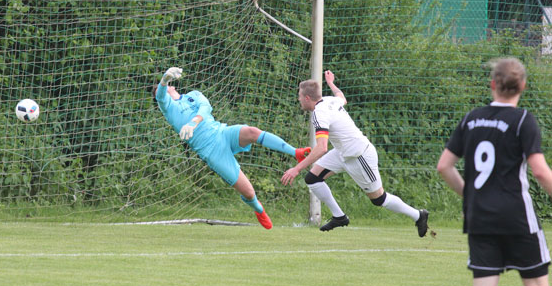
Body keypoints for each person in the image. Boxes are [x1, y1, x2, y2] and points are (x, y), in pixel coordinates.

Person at [436, 57, 552, 286]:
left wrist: (470, 194)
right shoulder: (522, 120)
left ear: (492, 84)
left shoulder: (471, 119)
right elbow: (541, 172)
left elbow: (444, 166)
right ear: (523, 86)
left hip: (480, 216)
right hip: (516, 215)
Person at [154, 66, 310, 229]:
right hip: (213, 152)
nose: (167, 86)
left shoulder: (193, 95)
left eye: (167, 83)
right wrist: (164, 79)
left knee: (252, 131)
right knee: (249, 192)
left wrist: (194, 122)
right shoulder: (167, 107)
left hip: (222, 132)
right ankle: (258, 209)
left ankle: (295, 152)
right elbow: (160, 96)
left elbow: (206, 108)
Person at [281, 69, 429, 237]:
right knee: (312, 179)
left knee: (378, 199)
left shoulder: (319, 114)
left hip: (359, 155)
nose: (299, 99)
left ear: (307, 98)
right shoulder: (330, 100)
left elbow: (322, 148)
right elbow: (342, 97)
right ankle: (339, 217)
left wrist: (296, 168)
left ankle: (418, 215)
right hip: (343, 152)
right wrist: (331, 83)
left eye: (300, 96)